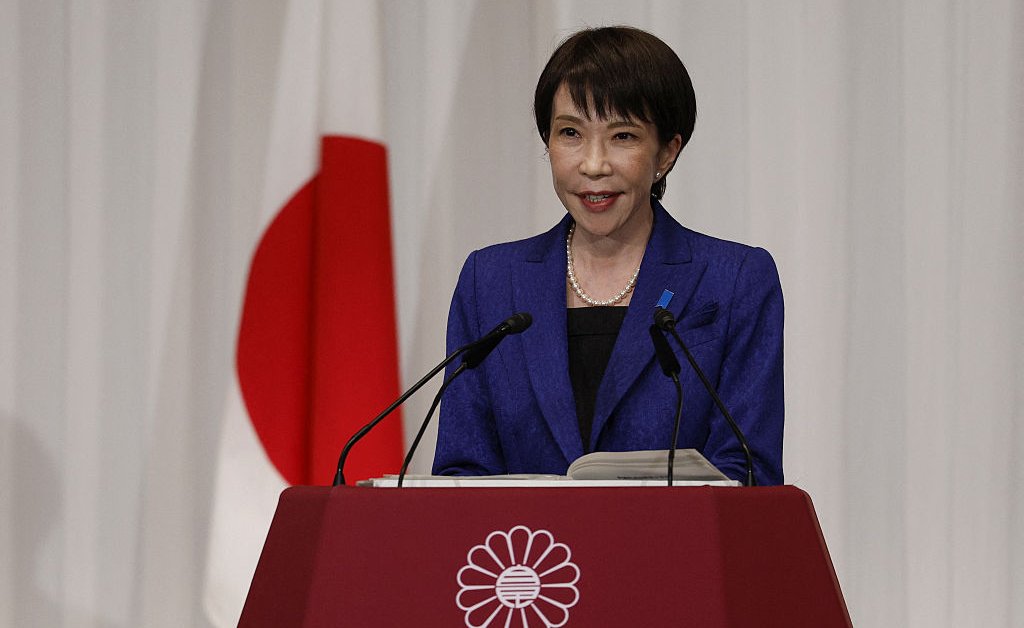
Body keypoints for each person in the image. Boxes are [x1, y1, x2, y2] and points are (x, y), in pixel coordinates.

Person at [432, 26, 784, 485]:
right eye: (571, 133)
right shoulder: (491, 282)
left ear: (667, 152)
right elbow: (462, 472)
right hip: (525, 536)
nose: (593, 164)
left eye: (622, 136)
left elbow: (748, 474)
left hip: (674, 535)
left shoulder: (734, 280)